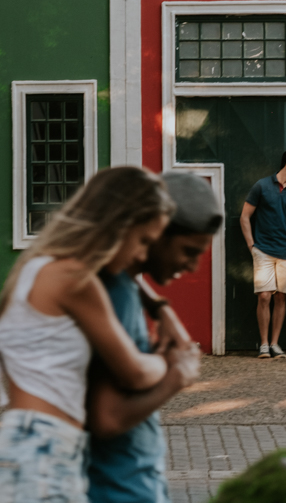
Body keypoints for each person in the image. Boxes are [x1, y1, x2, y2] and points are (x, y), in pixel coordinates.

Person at [0, 167, 174, 503]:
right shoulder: (75, 280)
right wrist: (169, 364)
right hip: (43, 456)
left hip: (26, 451)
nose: (142, 256)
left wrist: (158, 305)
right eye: (143, 241)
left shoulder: (37, 269)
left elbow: (123, 272)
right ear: (118, 225)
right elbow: (134, 371)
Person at [85, 171, 224, 503]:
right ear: (154, 232)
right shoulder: (114, 296)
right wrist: (178, 377)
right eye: (189, 251)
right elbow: (106, 417)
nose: (192, 267)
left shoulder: (115, 280)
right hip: (118, 490)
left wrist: (161, 307)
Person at [239, 148, 286, 358]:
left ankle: (275, 344)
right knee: (264, 296)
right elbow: (244, 217)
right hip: (263, 251)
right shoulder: (262, 186)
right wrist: (252, 246)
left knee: (280, 298)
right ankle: (263, 344)